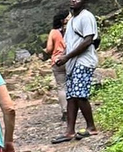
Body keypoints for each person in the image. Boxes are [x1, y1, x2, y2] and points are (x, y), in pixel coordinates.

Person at [51, 0, 98, 143]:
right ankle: (69, 131)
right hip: (72, 63)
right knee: (71, 97)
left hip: (83, 62)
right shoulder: (71, 21)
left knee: (79, 94)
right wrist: (63, 55)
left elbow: (88, 40)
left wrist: (66, 57)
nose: (74, 0)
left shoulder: (86, 16)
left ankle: (91, 127)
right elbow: (71, 43)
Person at [45, 11, 68, 122]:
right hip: (70, 58)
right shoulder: (70, 29)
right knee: (72, 85)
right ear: (63, 20)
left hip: (58, 61)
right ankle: (75, 109)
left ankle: (65, 111)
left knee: (61, 86)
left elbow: (49, 48)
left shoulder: (53, 32)